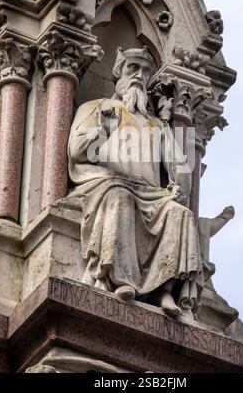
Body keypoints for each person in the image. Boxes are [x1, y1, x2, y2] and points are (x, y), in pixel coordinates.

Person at [67, 47, 203, 317]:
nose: (139, 76)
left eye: (145, 71)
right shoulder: (96, 108)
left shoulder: (156, 125)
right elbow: (76, 150)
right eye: (133, 69)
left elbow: (180, 166)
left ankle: (164, 291)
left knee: (181, 214)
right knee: (120, 197)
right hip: (106, 184)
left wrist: (180, 188)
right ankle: (120, 279)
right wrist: (104, 129)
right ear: (119, 72)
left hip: (151, 195)